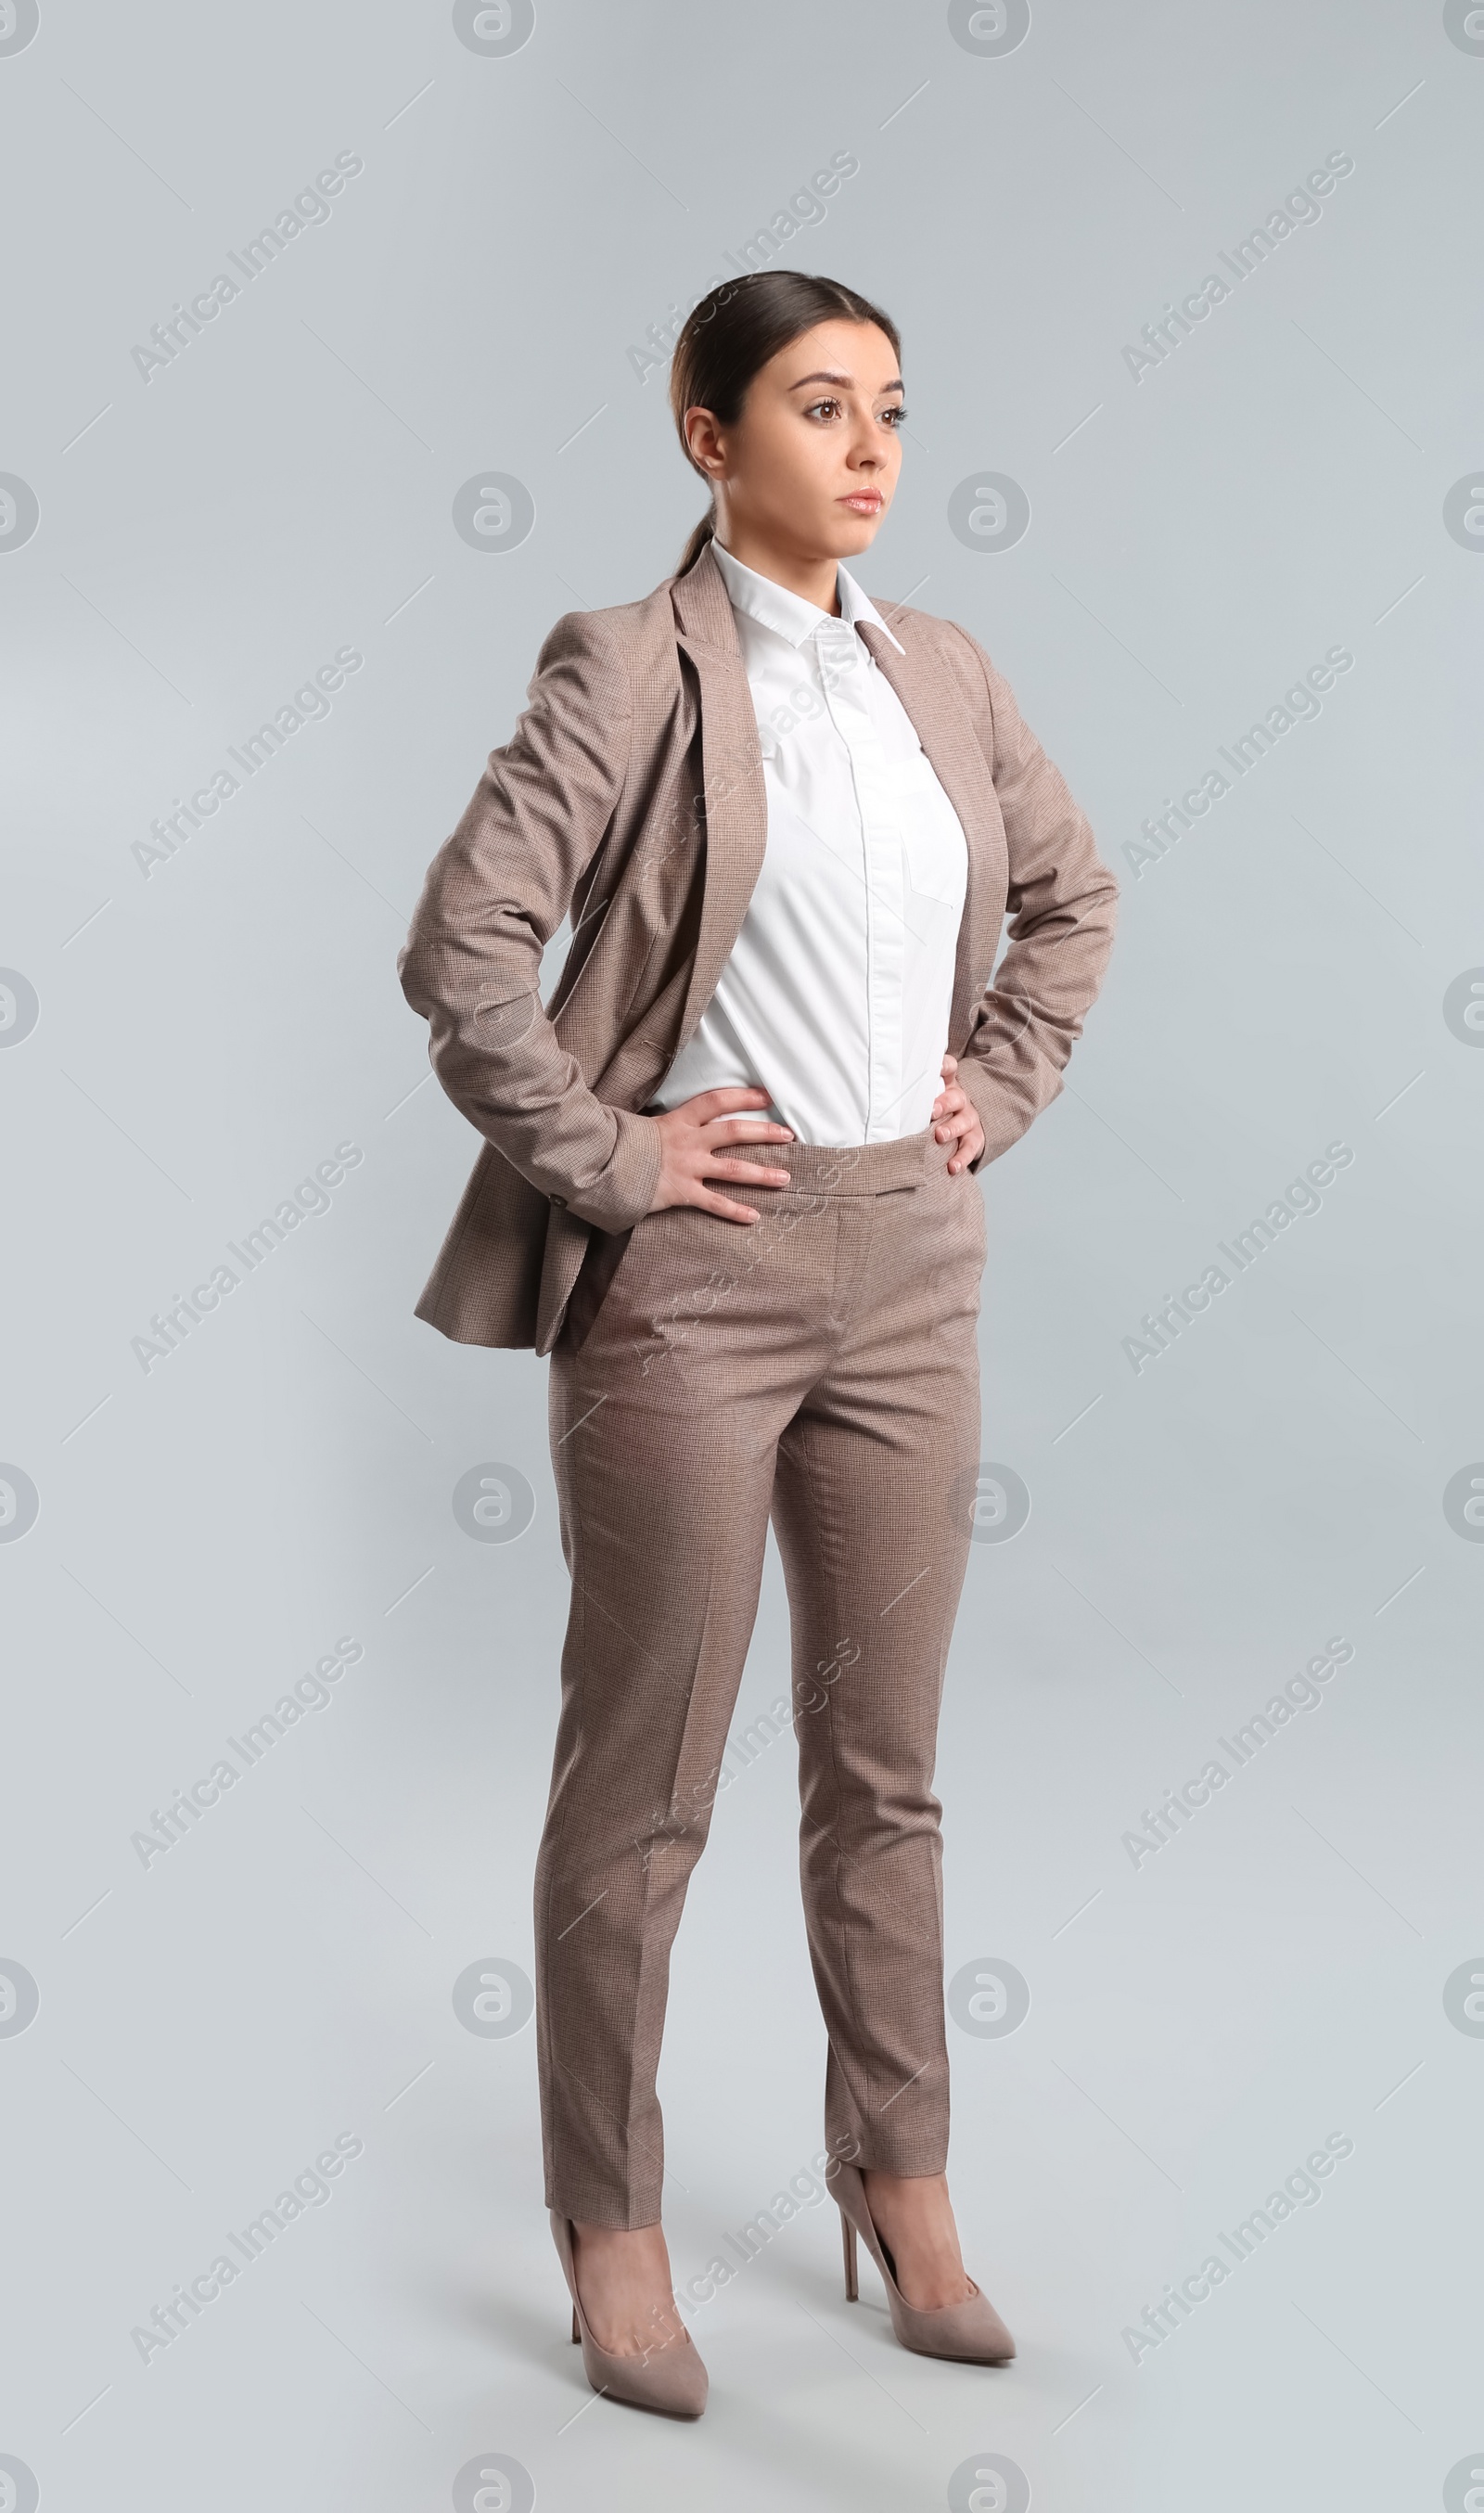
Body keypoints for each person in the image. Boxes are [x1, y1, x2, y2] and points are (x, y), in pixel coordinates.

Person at [398, 269, 1118, 2417]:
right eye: (820, 406)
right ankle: (606, 2222)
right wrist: (610, 1158)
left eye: (890, 404)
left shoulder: (946, 673)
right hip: (693, 1286)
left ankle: (897, 2180)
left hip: (911, 1261)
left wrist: (1001, 1072)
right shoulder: (629, 664)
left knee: (882, 1771)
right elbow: (461, 949)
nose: (872, 446)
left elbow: (1071, 899)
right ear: (709, 439)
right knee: (642, 1788)